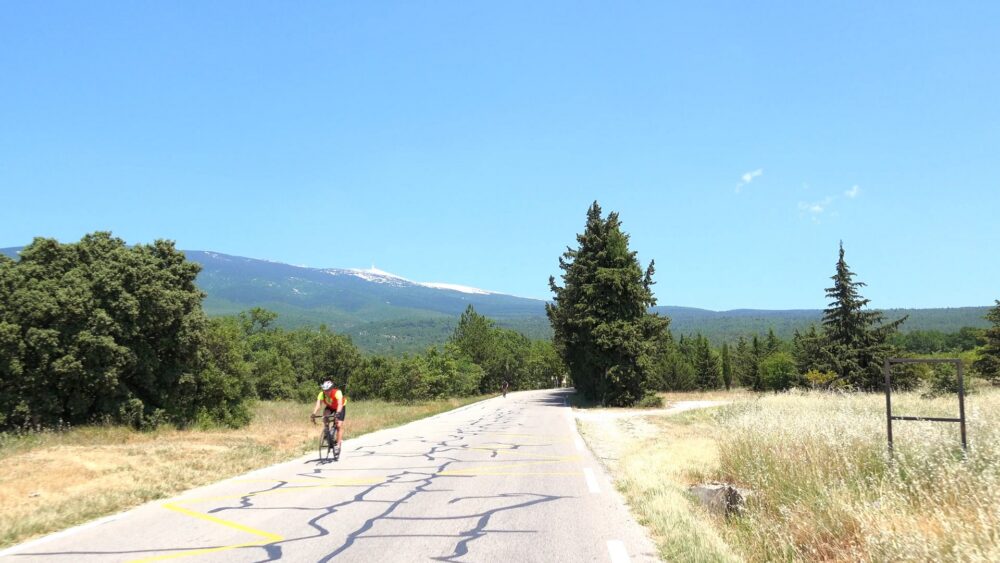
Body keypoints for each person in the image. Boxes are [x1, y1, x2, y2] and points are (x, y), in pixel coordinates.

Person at [312, 380, 346, 459]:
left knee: (338, 425)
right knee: (325, 416)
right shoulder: (321, 394)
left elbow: (340, 404)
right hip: (330, 407)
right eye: (324, 390)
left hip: (340, 407)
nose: (326, 392)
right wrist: (314, 413)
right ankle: (327, 432)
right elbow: (318, 404)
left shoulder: (337, 392)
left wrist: (337, 414)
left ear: (331, 389)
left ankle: (338, 445)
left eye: (327, 390)